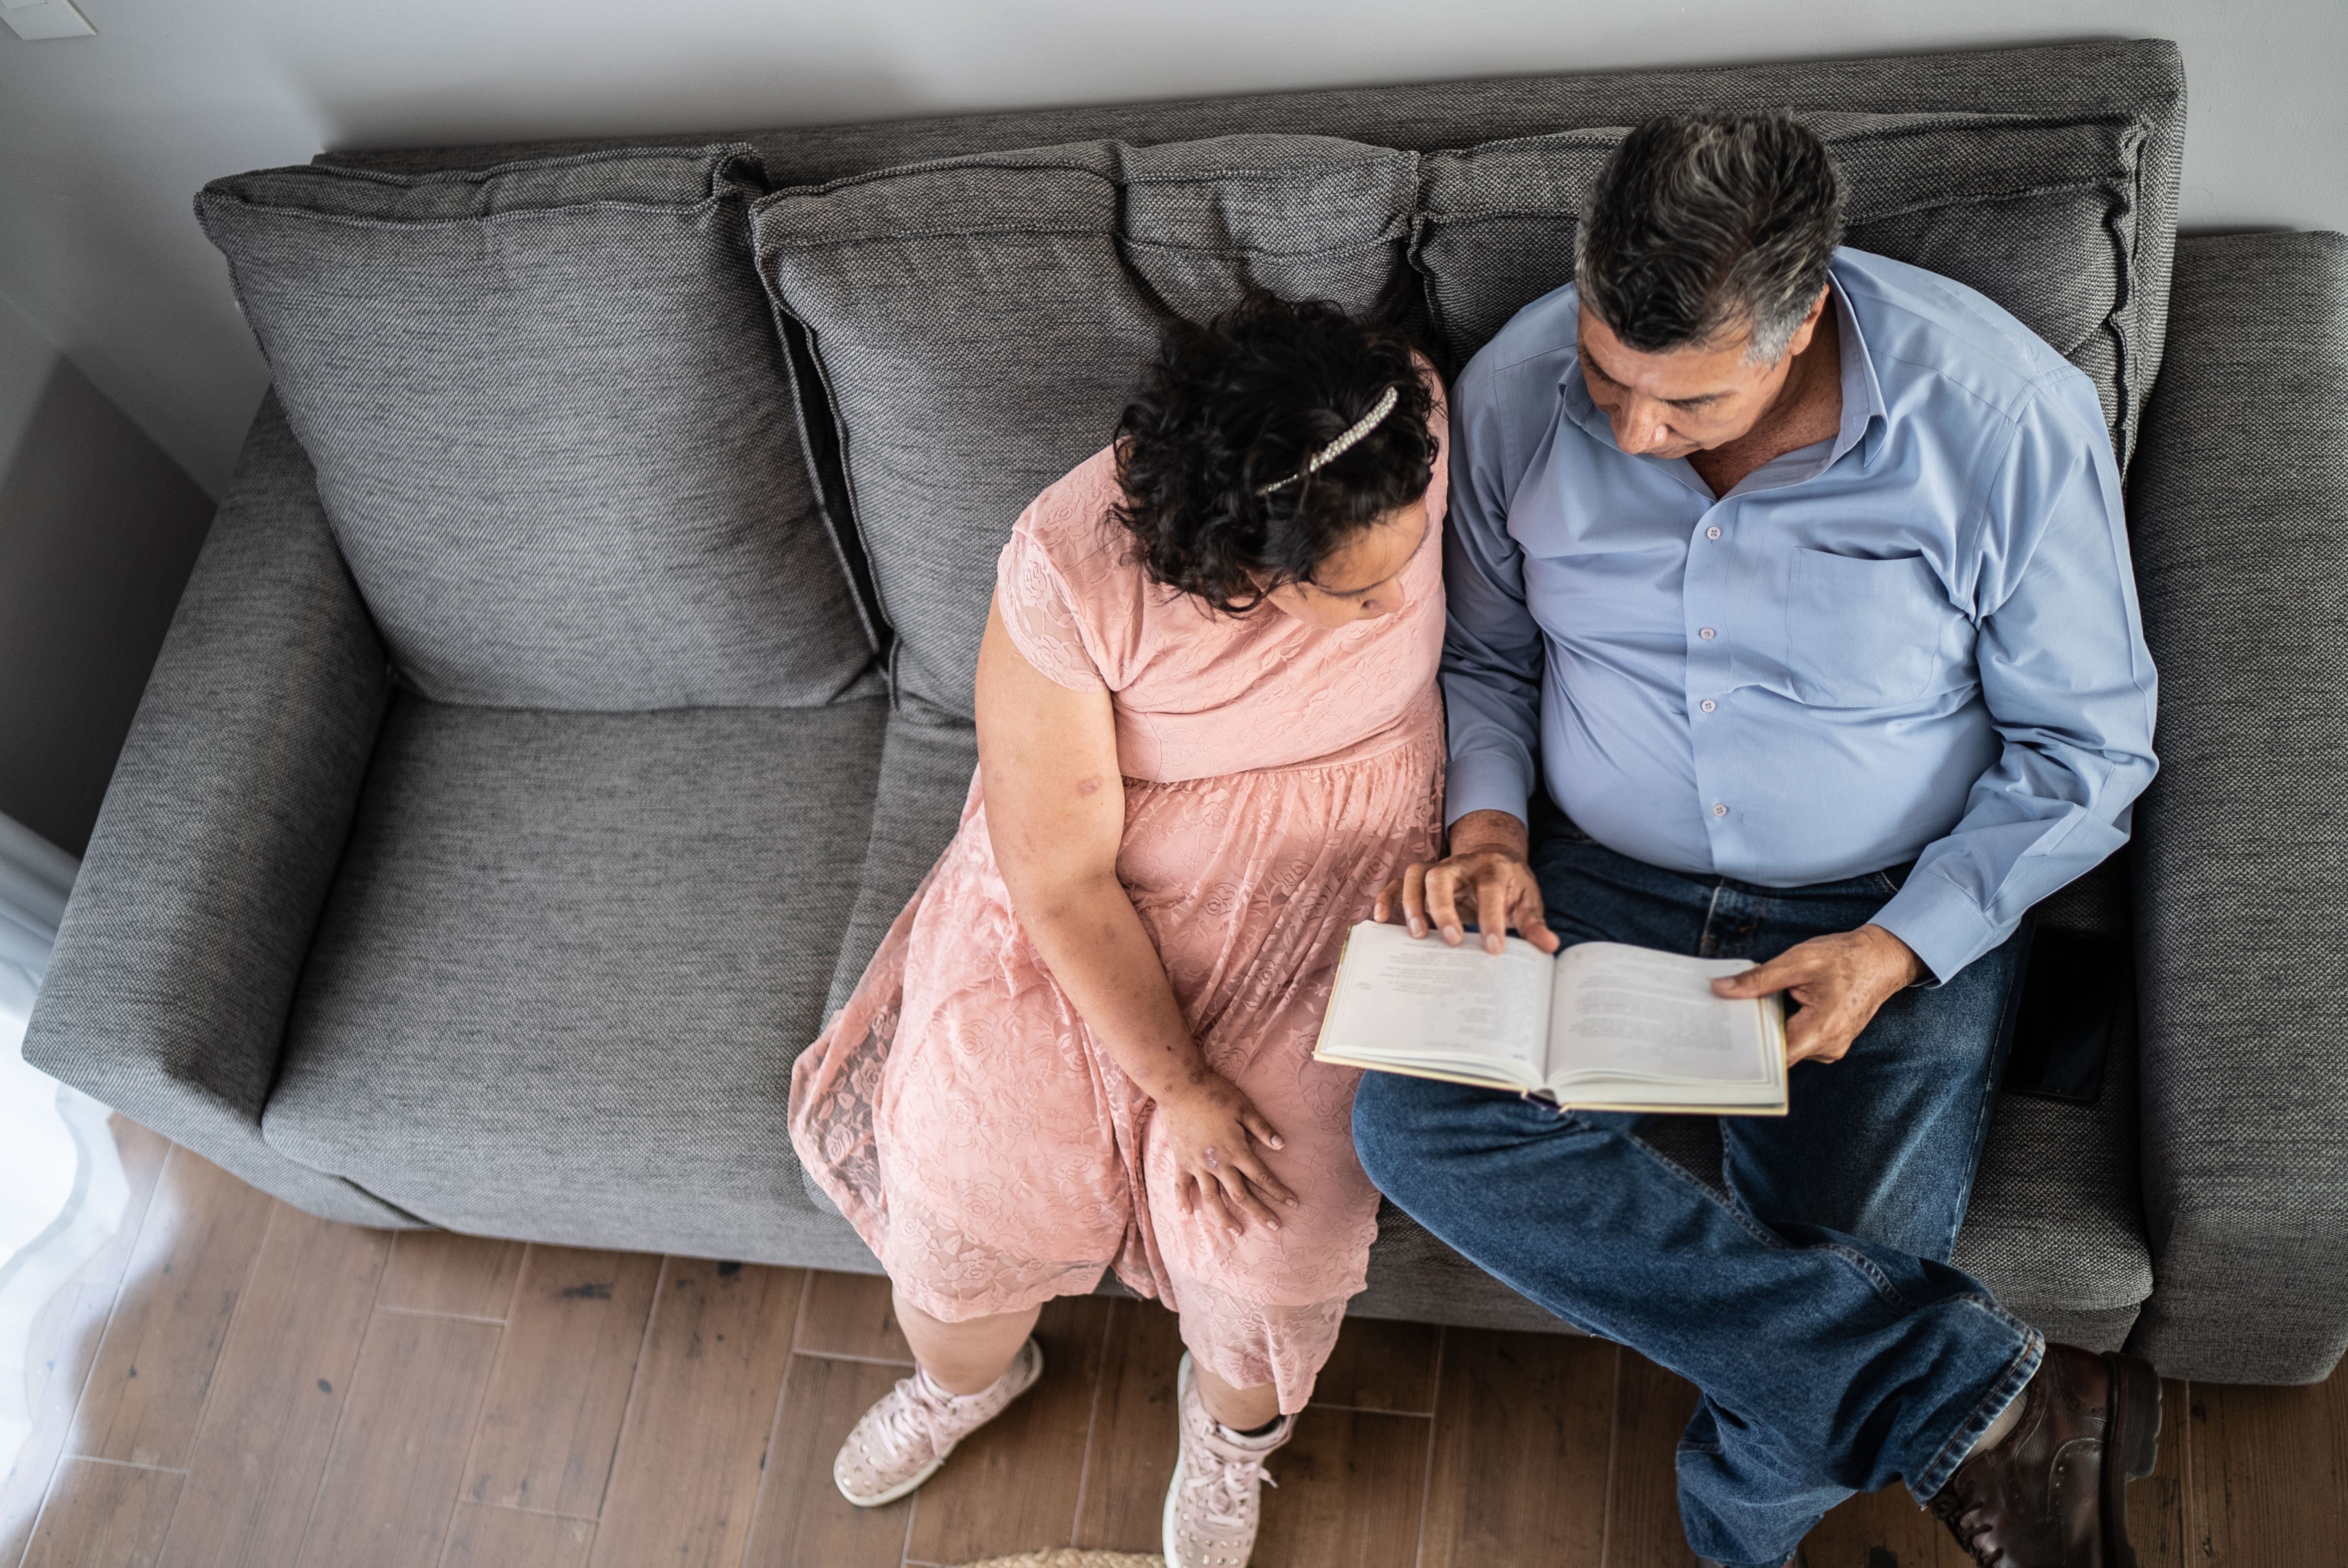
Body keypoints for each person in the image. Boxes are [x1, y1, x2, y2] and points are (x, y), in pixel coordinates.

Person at [1356, 111, 2162, 1568]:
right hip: (1596, 877)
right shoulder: (1514, 388)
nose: (1630, 432)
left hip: (1885, 903)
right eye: (1609, 376)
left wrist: (1897, 948)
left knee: (1841, 1258)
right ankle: (1971, 1395)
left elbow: (2088, 753)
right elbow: (1480, 656)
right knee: (1411, 1122)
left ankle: (1740, 1542)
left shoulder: (1998, 421)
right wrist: (1487, 826)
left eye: (1688, 407)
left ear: (1801, 324)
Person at [790, 293, 1448, 1568]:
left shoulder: (1397, 420)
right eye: (1359, 598)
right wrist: (1180, 1084)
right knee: (970, 1170)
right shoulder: (1067, 571)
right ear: (1250, 571)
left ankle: (1230, 1432)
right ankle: (970, 1377)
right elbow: (1065, 883)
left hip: (1340, 871)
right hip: (1099, 888)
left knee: (1273, 1233)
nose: (1397, 610)